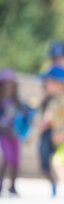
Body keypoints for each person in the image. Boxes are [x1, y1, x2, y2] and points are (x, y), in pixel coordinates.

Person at [39, 65, 64, 197]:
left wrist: (63, 134)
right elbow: (49, 117)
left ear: (59, 84)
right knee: (57, 162)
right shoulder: (53, 100)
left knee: (58, 161)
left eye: (49, 82)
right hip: (59, 138)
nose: (45, 84)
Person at [0, 68, 35, 196]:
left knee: (16, 159)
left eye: (11, 83)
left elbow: (26, 113)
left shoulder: (17, 101)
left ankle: (12, 186)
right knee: (7, 158)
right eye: (5, 83)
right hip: (3, 133)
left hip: (14, 134)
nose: (8, 86)